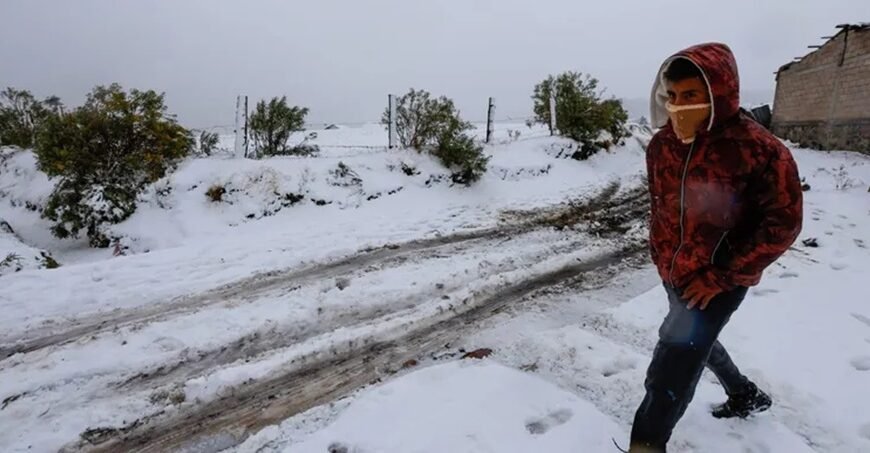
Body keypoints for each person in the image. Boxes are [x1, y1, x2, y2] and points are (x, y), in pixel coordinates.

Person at [629, 43, 803, 452]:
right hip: (674, 272)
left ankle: (646, 444)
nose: (678, 107)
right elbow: (662, 208)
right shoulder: (662, 146)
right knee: (695, 341)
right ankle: (744, 394)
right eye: (672, 97)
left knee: (669, 367)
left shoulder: (759, 150)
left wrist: (723, 274)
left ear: (719, 92)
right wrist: (662, 255)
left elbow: (783, 223)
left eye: (691, 96)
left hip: (719, 280)